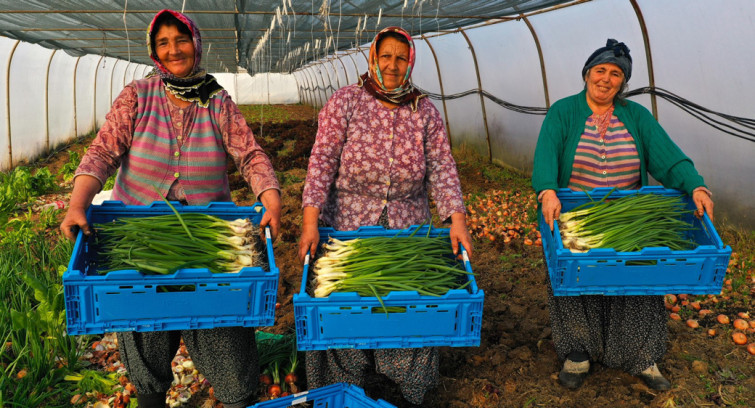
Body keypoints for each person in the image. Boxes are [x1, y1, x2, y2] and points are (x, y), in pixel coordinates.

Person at [59, 9, 281, 408]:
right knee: (146, 338)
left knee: (223, 333)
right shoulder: (137, 95)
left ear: (195, 43)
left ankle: (234, 396)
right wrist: (78, 204)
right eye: (163, 42)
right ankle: (150, 396)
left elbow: (249, 154)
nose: (173, 49)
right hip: (139, 235)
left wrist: (270, 196)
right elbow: (103, 150)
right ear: (154, 50)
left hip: (210, 235)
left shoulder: (216, 99)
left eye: (180, 39)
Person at [297, 26, 473, 405]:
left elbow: (442, 167)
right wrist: (310, 222)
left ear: (410, 62)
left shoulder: (424, 110)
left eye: (401, 57)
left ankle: (401, 392)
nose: (392, 65)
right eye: (385, 56)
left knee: (404, 308)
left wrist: (456, 220)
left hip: (407, 231)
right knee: (347, 310)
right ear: (372, 58)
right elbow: (322, 162)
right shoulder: (345, 101)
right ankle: (347, 388)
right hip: (347, 229)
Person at [532, 39, 714, 391]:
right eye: (600, 70)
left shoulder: (636, 116)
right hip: (577, 218)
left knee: (639, 283)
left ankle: (641, 357)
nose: (606, 79)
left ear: (623, 82)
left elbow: (668, 157)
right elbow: (546, 156)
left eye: (616, 74)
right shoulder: (563, 111)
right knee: (574, 285)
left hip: (630, 218)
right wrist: (547, 190)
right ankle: (578, 353)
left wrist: (695, 186)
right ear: (587, 74)